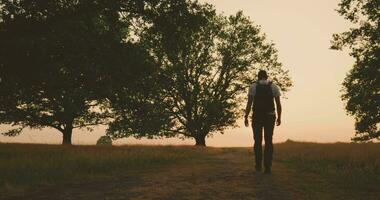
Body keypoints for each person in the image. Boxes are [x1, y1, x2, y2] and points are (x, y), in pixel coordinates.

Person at [244, 70, 282, 174]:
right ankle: (268, 166)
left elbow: (249, 103)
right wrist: (279, 117)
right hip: (270, 116)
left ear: (258, 77)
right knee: (269, 141)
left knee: (257, 141)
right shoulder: (274, 86)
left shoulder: (253, 87)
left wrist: (246, 116)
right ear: (267, 76)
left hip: (257, 116)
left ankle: (258, 165)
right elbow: (278, 104)